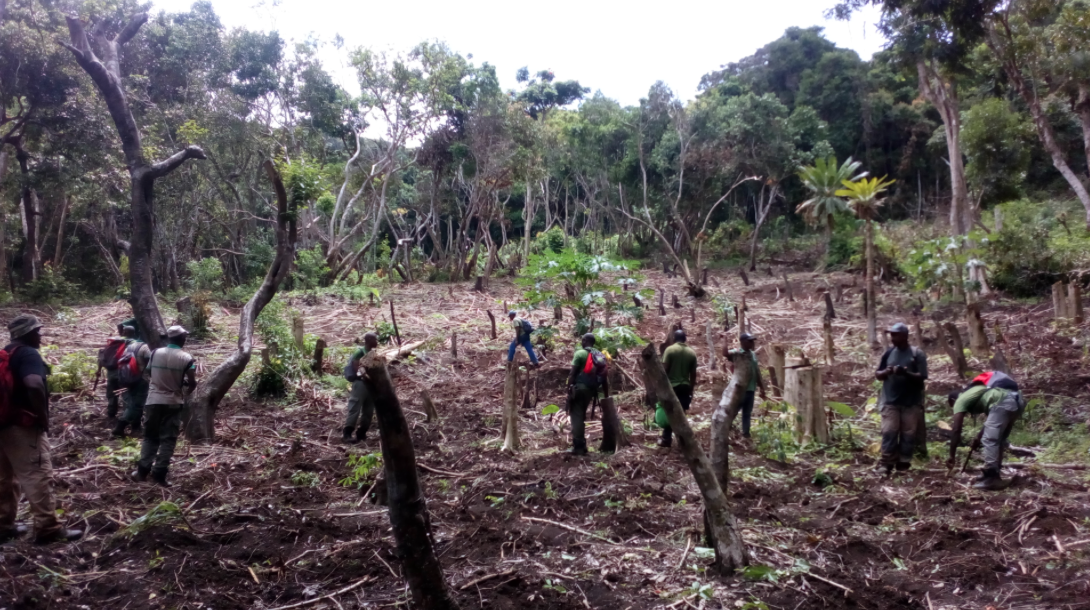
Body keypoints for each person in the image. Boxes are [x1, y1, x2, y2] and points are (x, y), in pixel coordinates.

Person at [0, 314, 82, 543]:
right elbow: (34, 384)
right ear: (27, 333)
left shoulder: (6, 353)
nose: (40, 336)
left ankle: (4, 525)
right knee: (37, 475)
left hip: (2, 424)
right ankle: (48, 528)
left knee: (5, 478)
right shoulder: (27, 354)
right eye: (37, 331)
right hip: (22, 427)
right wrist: (42, 416)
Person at [133, 326, 196, 487]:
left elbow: (147, 373)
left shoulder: (155, 353)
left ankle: (142, 472)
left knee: (150, 437)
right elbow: (192, 382)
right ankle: (160, 474)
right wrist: (185, 391)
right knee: (168, 439)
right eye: (184, 337)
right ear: (180, 339)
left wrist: (157, 384)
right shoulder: (187, 358)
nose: (185, 339)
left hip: (153, 401)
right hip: (173, 402)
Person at [946, 371, 1024, 490]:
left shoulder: (960, 400)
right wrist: (978, 437)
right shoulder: (980, 392)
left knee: (989, 440)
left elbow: (956, 430)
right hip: (1016, 401)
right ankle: (992, 474)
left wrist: (951, 456)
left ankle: (992, 478)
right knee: (999, 440)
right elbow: (991, 421)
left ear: (953, 400)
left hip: (1003, 402)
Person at [875, 322, 928, 475]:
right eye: (891, 335)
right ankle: (886, 464)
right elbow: (878, 374)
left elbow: (922, 377)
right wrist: (887, 371)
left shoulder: (916, 354)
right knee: (889, 432)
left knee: (908, 433)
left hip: (911, 401)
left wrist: (905, 373)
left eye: (895, 335)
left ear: (904, 336)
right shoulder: (888, 353)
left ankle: (903, 464)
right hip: (890, 400)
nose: (892, 338)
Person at [567, 334, 610, 456]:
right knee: (581, 416)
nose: (581, 341)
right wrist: (606, 396)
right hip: (591, 391)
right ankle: (582, 445)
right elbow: (604, 376)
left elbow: (572, 373)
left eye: (582, 340)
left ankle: (579, 447)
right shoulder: (600, 355)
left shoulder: (580, 354)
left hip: (579, 389)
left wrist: (568, 390)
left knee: (576, 417)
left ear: (585, 341)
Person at [725, 333, 768, 438]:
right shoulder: (738, 352)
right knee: (733, 411)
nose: (752, 343)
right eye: (750, 341)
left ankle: (746, 433)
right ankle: (726, 430)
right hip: (740, 389)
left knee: (747, 413)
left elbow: (756, 371)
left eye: (752, 341)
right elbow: (725, 353)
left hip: (751, 389)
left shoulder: (752, 354)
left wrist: (762, 387)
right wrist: (724, 341)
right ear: (743, 342)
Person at [660, 329, 697, 448]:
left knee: (670, 413)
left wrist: (661, 385)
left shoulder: (670, 350)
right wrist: (691, 388)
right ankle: (684, 441)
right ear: (685, 339)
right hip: (685, 387)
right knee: (681, 414)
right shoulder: (691, 352)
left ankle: (666, 439)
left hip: (672, 386)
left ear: (674, 339)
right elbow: (693, 374)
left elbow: (665, 369)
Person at [112, 326, 151, 438]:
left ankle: (136, 427)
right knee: (137, 405)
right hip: (141, 379)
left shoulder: (128, 347)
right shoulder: (144, 347)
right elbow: (149, 364)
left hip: (128, 378)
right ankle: (120, 425)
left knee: (133, 403)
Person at [343, 332, 379, 444]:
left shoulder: (373, 353)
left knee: (368, 410)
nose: (377, 342)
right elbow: (357, 369)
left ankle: (361, 433)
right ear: (368, 340)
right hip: (361, 384)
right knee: (355, 408)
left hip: (370, 385)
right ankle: (347, 434)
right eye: (375, 340)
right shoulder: (360, 352)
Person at [99, 323, 130, 420]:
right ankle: (126, 415)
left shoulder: (110, 346)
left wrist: (99, 370)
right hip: (123, 374)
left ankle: (111, 413)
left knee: (112, 394)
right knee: (125, 394)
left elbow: (101, 359)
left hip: (111, 374)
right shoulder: (127, 344)